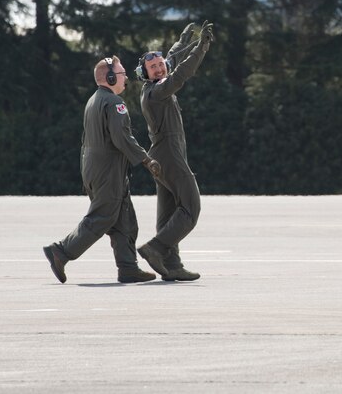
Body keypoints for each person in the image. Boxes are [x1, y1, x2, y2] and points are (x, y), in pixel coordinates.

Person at [43, 56, 162, 284]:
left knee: (124, 219)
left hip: (97, 170)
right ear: (109, 78)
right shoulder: (114, 103)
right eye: (121, 74)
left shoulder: (93, 100)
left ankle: (128, 268)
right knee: (102, 218)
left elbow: (84, 140)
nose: (126, 77)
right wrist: (147, 160)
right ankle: (61, 251)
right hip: (108, 172)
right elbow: (122, 137)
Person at [135, 20, 214, 281]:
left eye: (159, 66)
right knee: (191, 207)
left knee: (168, 213)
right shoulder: (157, 92)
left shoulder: (155, 86)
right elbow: (180, 73)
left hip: (161, 156)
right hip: (169, 154)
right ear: (144, 74)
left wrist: (182, 41)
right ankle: (155, 248)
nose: (158, 69)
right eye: (152, 67)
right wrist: (200, 48)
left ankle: (172, 266)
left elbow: (170, 62)